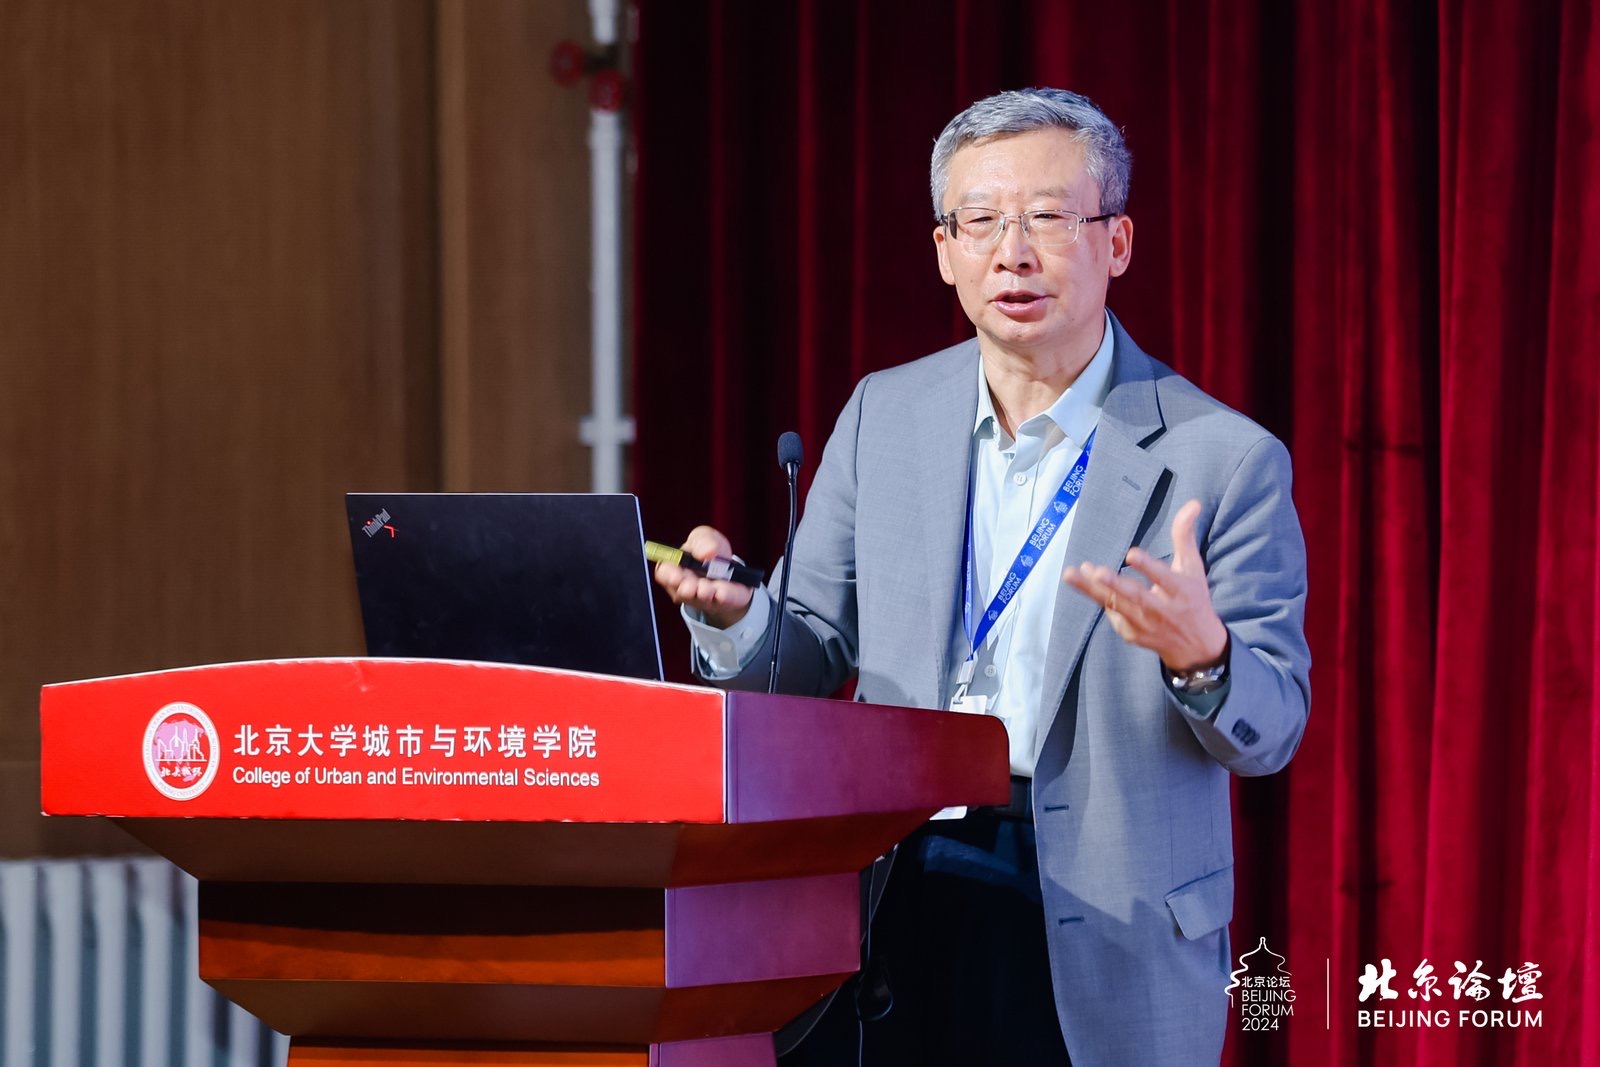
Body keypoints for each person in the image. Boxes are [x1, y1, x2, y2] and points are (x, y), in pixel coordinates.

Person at [653, 87, 1310, 1067]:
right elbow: (808, 650)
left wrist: (1202, 658)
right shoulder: (885, 415)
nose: (1013, 251)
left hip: (1093, 908)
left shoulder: (1222, 458)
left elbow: (1274, 725)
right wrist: (738, 620)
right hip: (893, 879)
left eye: (1047, 217)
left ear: (1117, 242)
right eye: (982, 221)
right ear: (943, 250)